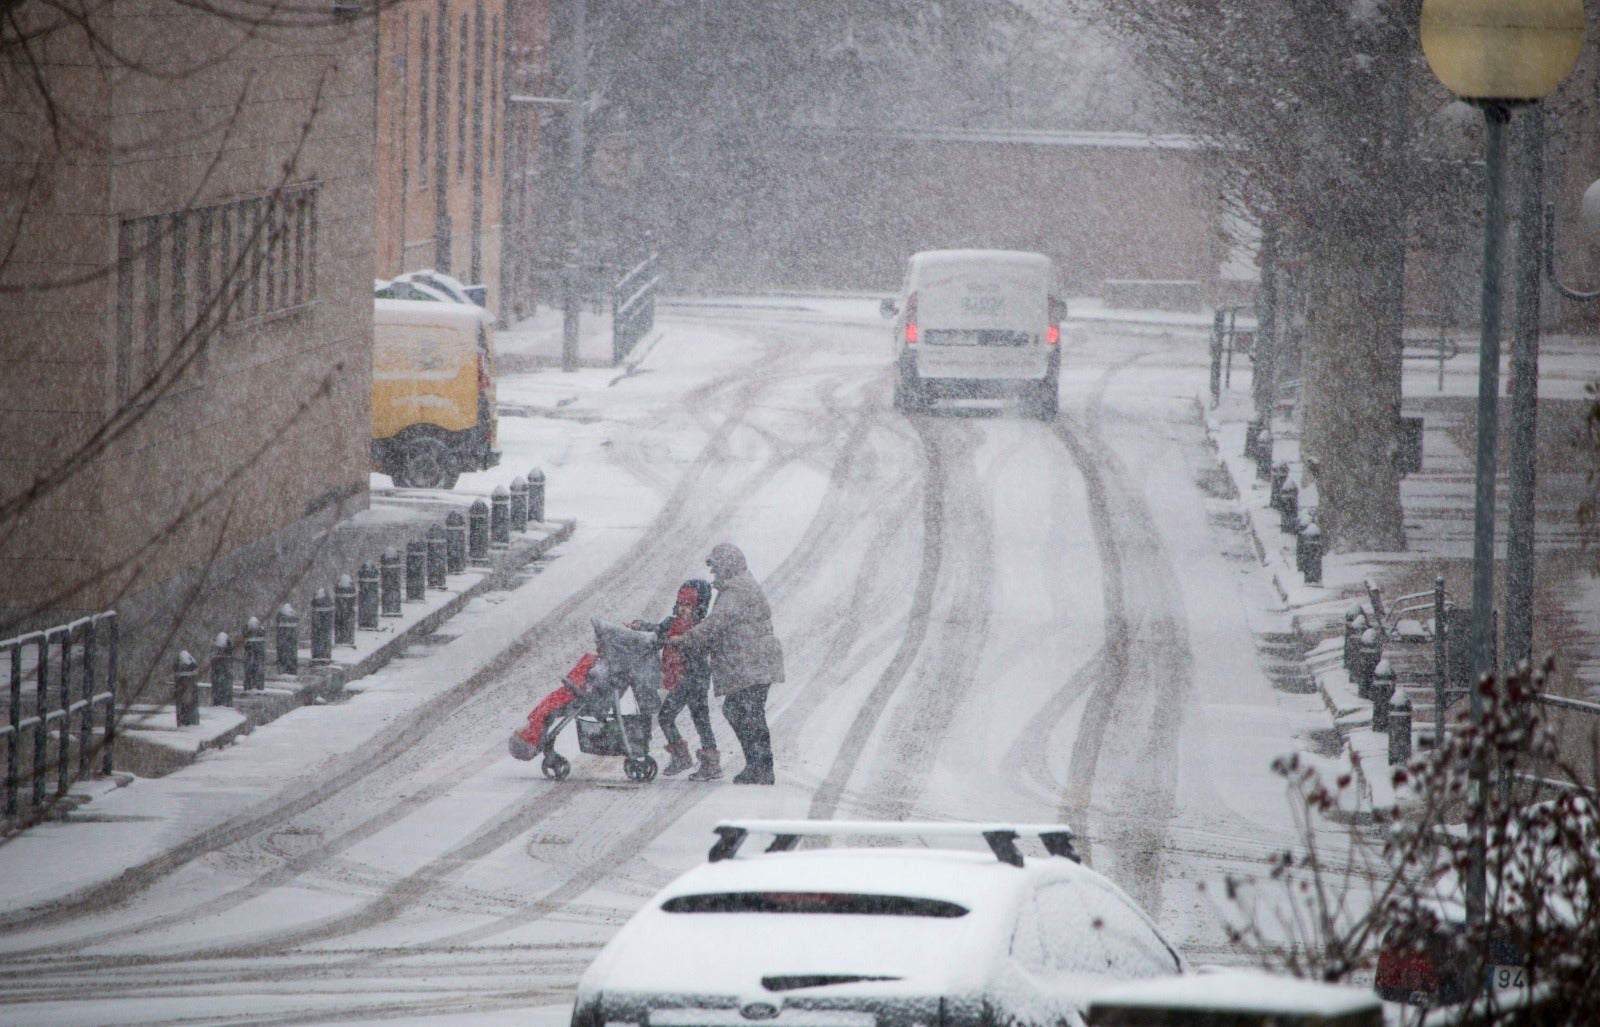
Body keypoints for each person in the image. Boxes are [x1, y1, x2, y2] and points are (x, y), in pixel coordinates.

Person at [667, 543, 784, 784]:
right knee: (746, 712)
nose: (713, 572)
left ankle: (760, 767)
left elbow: (717, 622)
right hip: (754, 661)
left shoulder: (736, 591)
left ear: (726, 565)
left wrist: (687, 639)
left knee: (745, 712)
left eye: (715, 566)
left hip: (752, 662)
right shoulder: (740, 586)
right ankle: (759, 766)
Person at [632, 580, 720, 781]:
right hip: (683, 679)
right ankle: (705, 758)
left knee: (674, 717)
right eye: (680, 604)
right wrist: (640, 626)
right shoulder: (670, 623)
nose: (683, 609)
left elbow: (698, 647)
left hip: (692, 679)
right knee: (698, 719)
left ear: (699, 607)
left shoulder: (700, 628)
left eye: (688, 605)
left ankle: (691, 757)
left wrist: (681, 643)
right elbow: (656, 631)